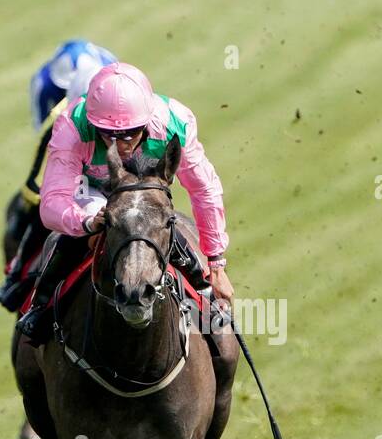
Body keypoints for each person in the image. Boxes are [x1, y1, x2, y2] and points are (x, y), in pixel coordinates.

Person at [15, 61, 232, 345]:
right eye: (109, 134)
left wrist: (216, 264)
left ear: (146, 121)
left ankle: (204, 296)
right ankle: (40, 307)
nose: (120, 144)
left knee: (157, 224)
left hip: (147, 191)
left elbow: (204, 189)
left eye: (130, 133)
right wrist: (85, 222)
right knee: (82, 235)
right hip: (93, 193)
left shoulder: (175, 123)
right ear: (94, 124)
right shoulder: (72, 127)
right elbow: (53, 201)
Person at [0, 40, 116, 311]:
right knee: (42, 209)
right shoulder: (62, 120)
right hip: (78, 182)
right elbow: (36, 187)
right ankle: (19, 277)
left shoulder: (127, 106)